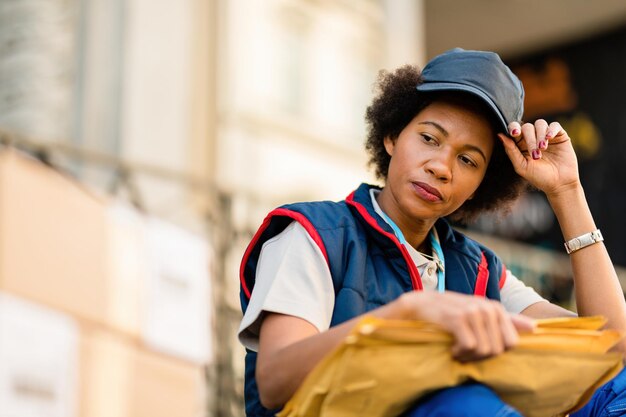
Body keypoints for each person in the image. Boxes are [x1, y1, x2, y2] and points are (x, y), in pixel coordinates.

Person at [238, 48, 626, 416]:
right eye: (428, 138)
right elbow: (274, 381)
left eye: (467, 159)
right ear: (392, 136)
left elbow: (612, 348)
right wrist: (404, 315)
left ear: (481, 185)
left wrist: (566, 191)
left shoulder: (477, 270)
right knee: (468, 404)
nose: (441, 167)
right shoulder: (315, 235)